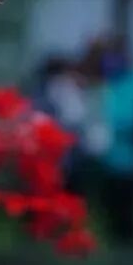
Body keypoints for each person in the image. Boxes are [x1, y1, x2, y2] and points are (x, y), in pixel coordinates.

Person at [93, 36, 133, 245]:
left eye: (114, 57)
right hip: (109, 161)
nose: (110, 63)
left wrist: (119, 127)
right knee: (111, 213)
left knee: (132, 213)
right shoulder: (106, 85)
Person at [33, 55, 89, 193]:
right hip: (59, 149)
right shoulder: (62, 87)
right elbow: (75, 117)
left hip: (60, 149)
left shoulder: (45, 89)